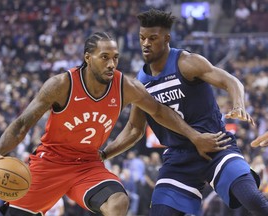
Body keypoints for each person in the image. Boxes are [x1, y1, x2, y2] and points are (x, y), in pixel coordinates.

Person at [0, 32, 229, 216]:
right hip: (50, 163)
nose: (112, 63)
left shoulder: (126, 86)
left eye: (115, 57)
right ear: (88, 58)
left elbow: (160, 112)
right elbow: (22, 124)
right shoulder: (61, 85)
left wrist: (195, 136)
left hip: (88, 165)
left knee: (118, 202)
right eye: (104, 57)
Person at [102, 9, 268, 216]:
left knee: (252, 199)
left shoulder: (186, 62)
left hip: (215, 145)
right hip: (179, 157)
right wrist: (103, 154)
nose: (145, 44)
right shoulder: (141, 83)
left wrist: (238, 104)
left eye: (152, 38)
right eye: (142, 38)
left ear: (166, 38)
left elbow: (230, 81)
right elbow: (134, 129)